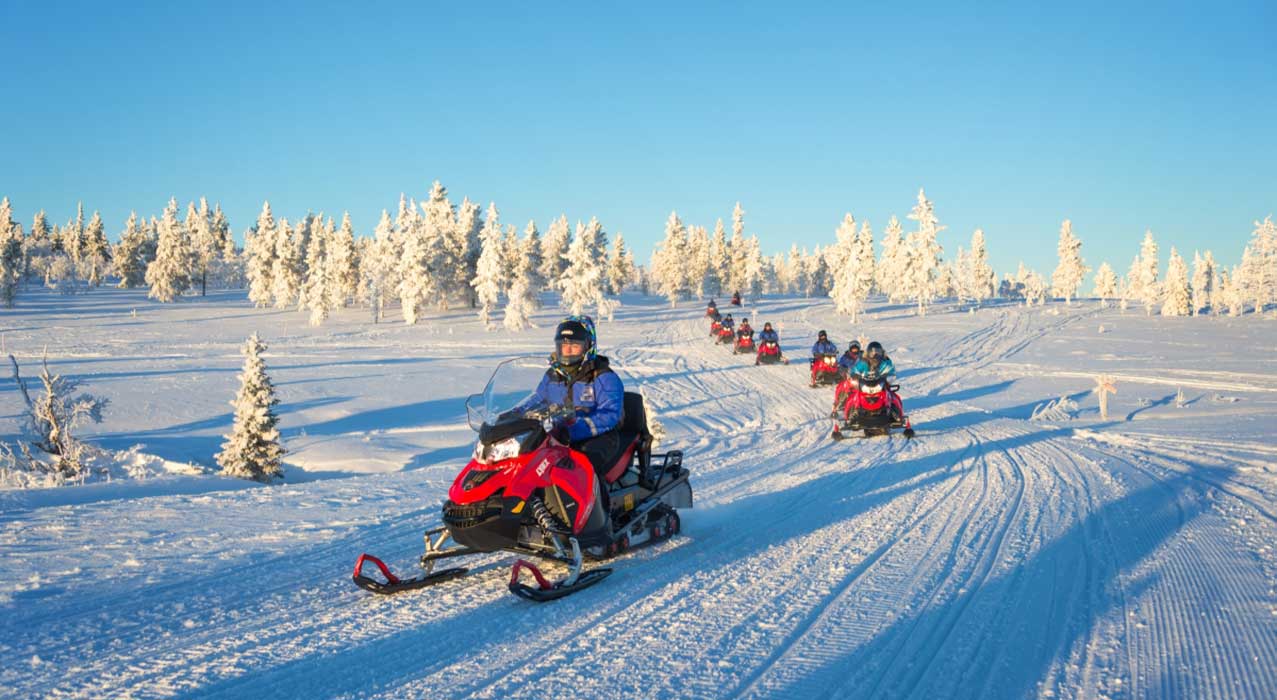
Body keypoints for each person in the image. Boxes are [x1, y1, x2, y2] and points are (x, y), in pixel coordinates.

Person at [525, 315, 624, 473]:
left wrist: (575, 429)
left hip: (598, 436)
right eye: (564, 346)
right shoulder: (552, 375)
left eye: (574, 346)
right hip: (558, 436)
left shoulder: (602, 376)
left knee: (583, 467)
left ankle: (599, 498)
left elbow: (610, 415)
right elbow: (537, 400)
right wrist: (514, 415)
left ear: (588, 347)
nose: (568, 351)